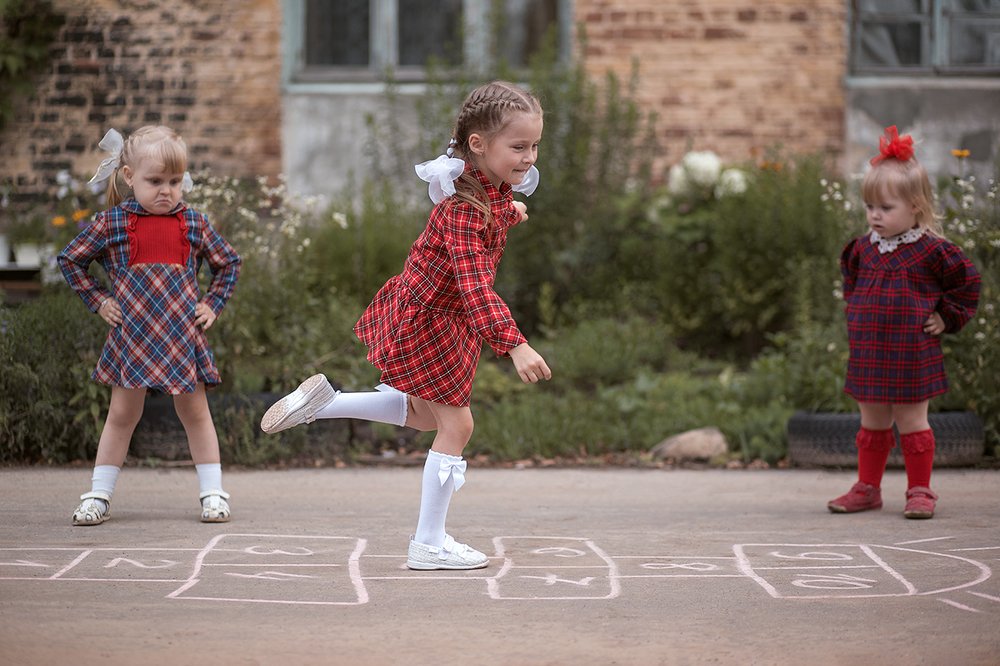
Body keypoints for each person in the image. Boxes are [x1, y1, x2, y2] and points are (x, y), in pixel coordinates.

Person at [260, 80, 551, 569]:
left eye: (534, 146)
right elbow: (476, 286)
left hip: (430, 316)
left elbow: (492, 211)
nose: (528, 157)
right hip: (434, 323)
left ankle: (326, 403)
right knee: (457, 425)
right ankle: (428, 544)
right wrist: (515, 344)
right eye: (518, 147)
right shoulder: (463, 210)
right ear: (478, 145)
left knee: (423, 418)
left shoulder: (482, 190)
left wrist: (512, 212)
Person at [58, 126, 241, 526]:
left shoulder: (193, 223)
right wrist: (99, 300)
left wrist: (212, 304)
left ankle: (213, 493)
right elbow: (70, 259)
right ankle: (98, 495)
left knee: (195, 413)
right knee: (122, 414)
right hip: (134, 337)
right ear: (128, 177)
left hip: (180, 338)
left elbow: (228, 264)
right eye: (155, 181)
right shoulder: (112, 224)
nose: (167, 191)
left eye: (175, 181)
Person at [828, 125, 980, 519]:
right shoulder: (862, 249)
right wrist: (858, 314)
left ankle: (920, 491)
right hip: (871, 351)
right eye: (870, 207)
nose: (875, 215)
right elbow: (851, 280)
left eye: (886, 208)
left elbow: (967, 283)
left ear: (915, 206)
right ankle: (867, 488)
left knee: (912, 422)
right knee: (872, 421)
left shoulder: (932, 251)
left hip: (912, 350)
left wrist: (946, 317)